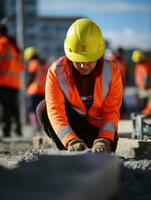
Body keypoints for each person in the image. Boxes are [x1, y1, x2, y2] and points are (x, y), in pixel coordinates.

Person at [36, 18, 123, 152]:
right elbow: (55, 110)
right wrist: (70, 140)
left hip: (100, 132)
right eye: (78, 60)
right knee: (43, 108)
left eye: (88, 60)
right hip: (73, 131)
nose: (83, 65)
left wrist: (104, 139)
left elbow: (111, 111)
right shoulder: (56, 71)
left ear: (98, 54)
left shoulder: (111, 72)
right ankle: (69, 148)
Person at [0, 24, 23, 137]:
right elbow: (21, 66)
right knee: (13, 107)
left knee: (5, 107)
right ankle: (18, 129)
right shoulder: (14, 46)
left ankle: (6, 130)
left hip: (3, 81)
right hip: (15, 82)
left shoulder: (2, 43)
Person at [24, 47, 48, 133]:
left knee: (31, 109)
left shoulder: (33, 63)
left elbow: (31, 77)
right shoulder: (44, 64)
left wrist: (27, 86)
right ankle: (42, 125)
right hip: (43, 91)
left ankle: (35, 125)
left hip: (33, 90)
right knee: (41, 109)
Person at [132, 50, 151, 115]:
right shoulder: (139, 64)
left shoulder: (147, 64)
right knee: (136, 96)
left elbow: (147, 77)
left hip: (147, 88)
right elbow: (137, 75)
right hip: (142, 88)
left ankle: (147, 111)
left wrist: (144, 87)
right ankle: (143, 111)